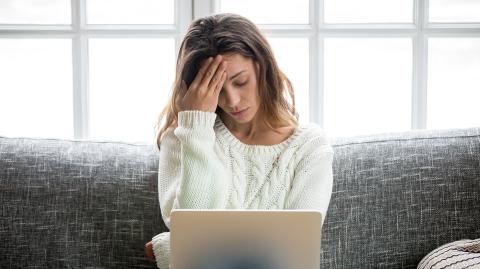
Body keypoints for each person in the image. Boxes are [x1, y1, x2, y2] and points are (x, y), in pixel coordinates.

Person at [144, 13, 334, 269]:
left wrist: (169, 248)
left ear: (262, 67)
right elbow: (192, 230)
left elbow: (294, 252)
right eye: (217, 90)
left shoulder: (310, 147)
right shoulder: (184, 137)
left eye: (240, 82)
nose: (232, 101)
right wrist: (196, 126)